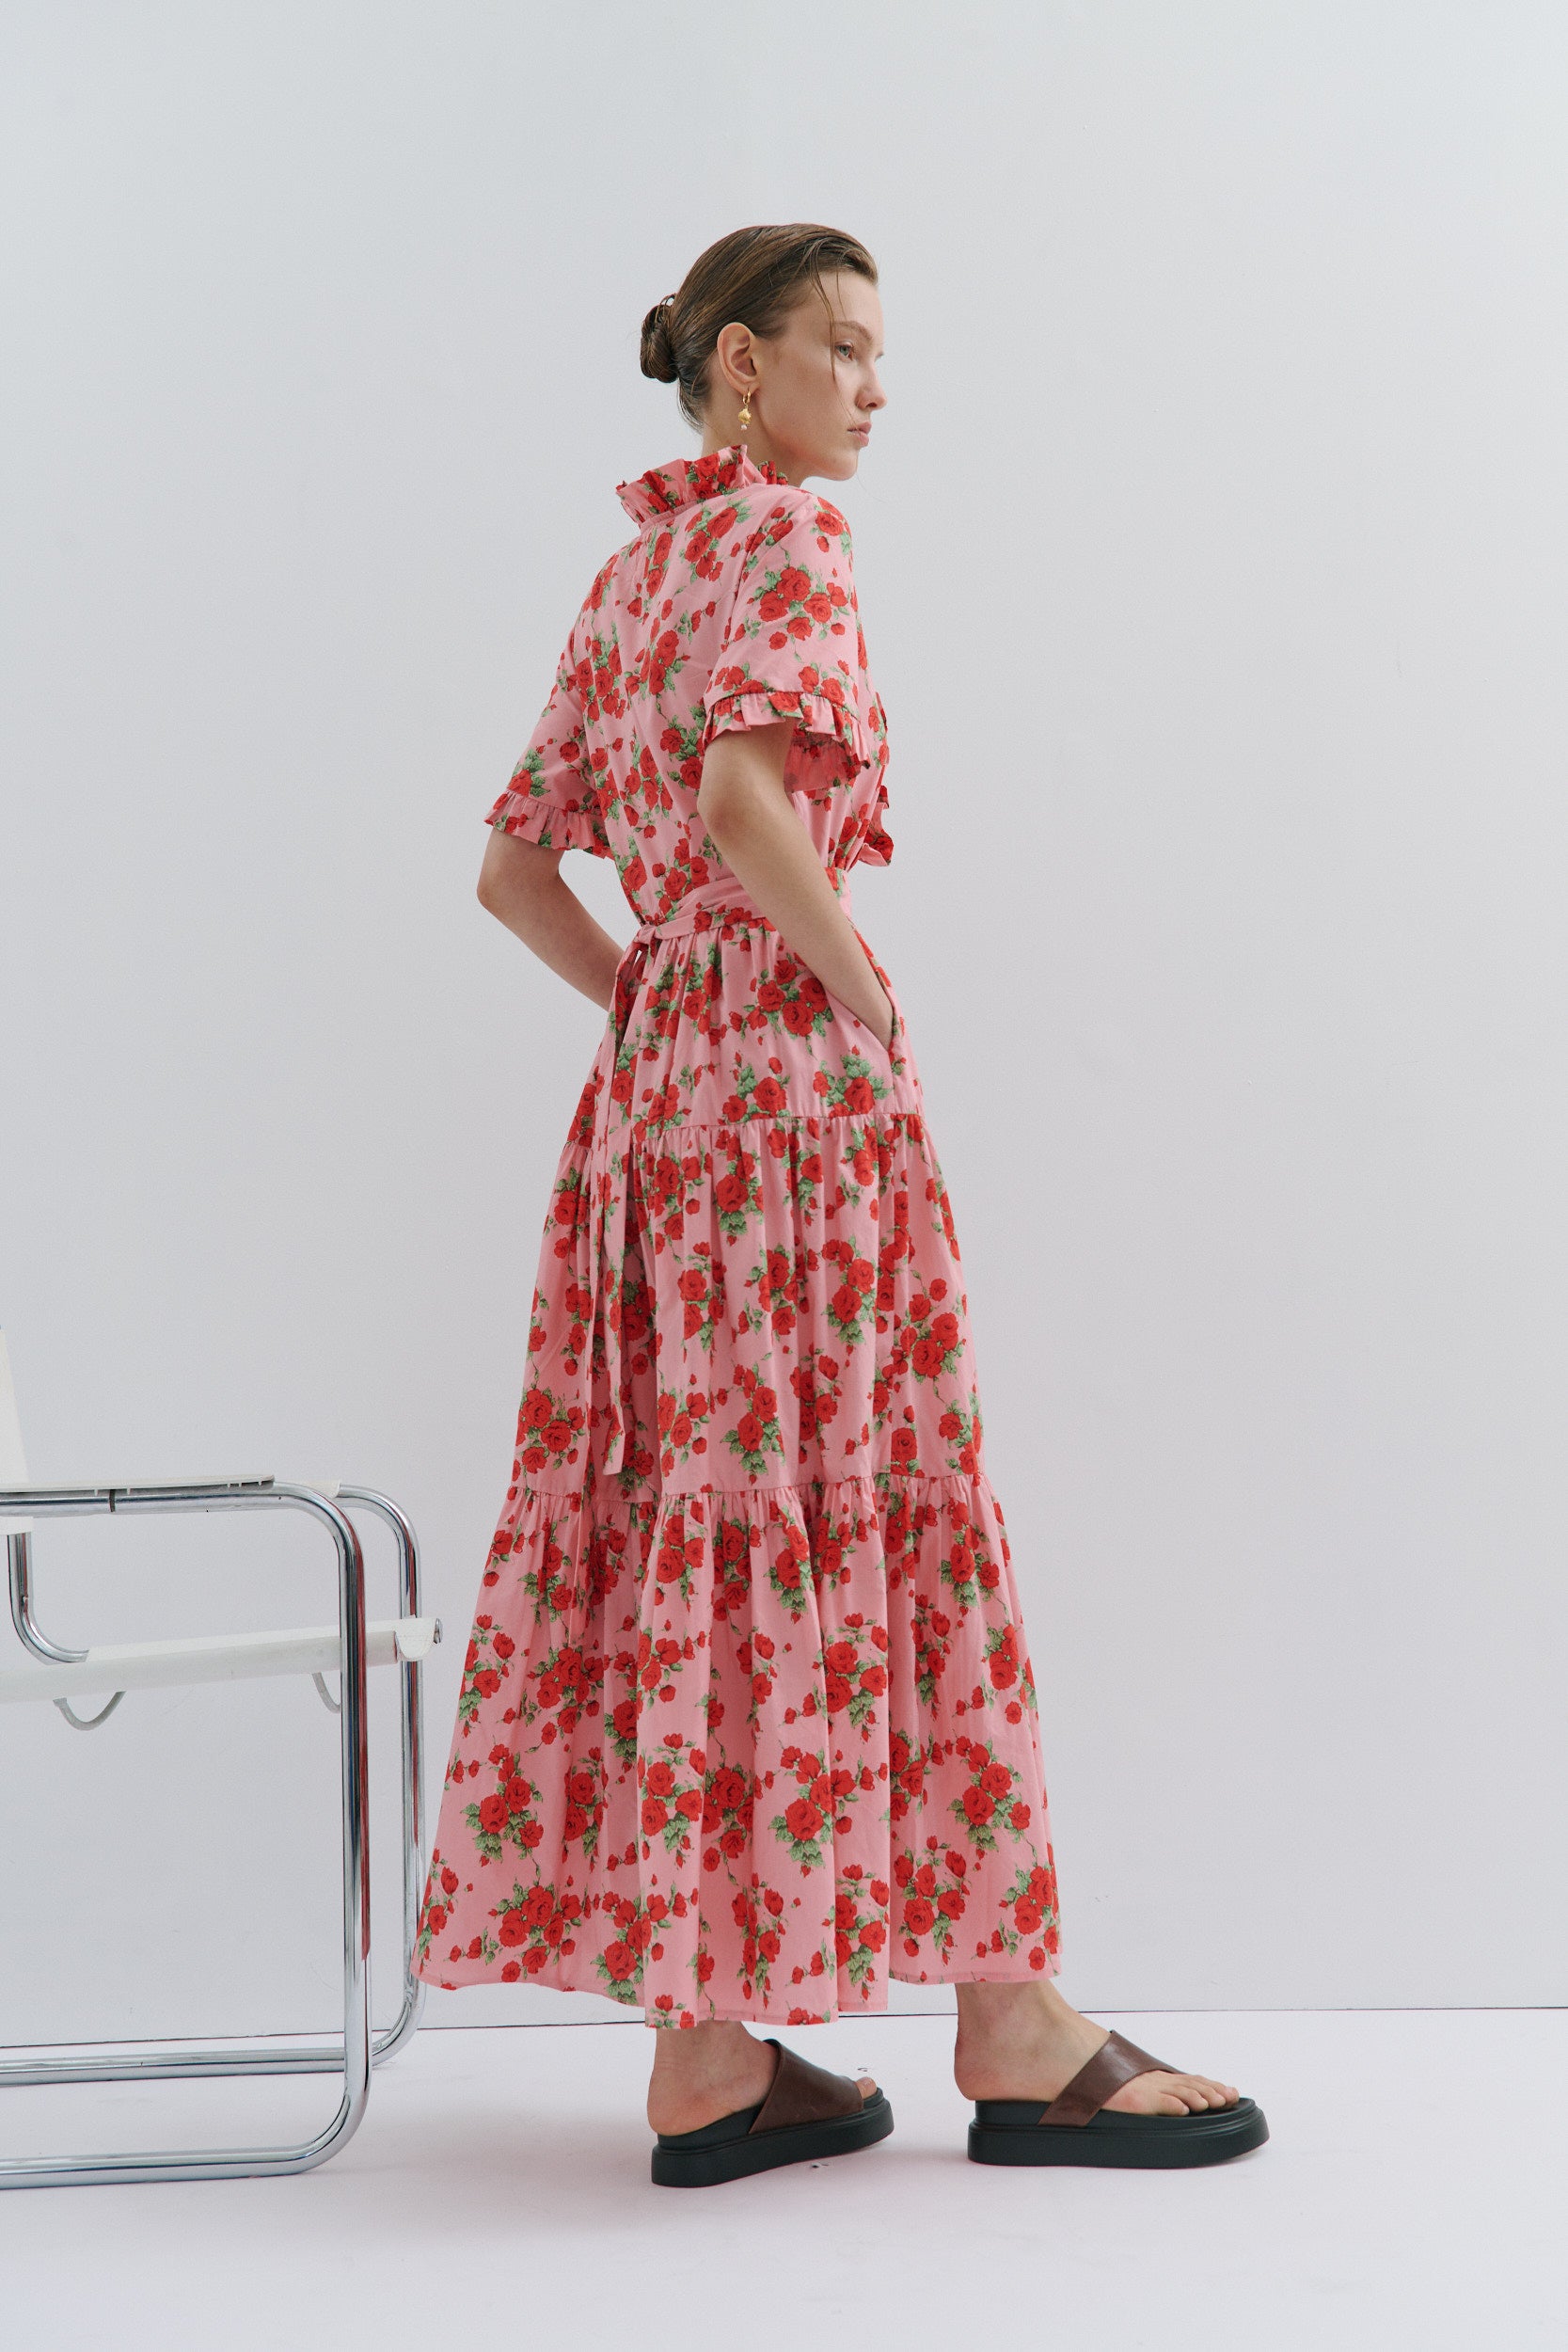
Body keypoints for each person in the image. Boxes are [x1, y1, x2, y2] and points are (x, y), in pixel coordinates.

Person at [413, 223, 1267, 2186]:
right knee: (882, 1473)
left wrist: (657, 998)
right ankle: (1013, 2018)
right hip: (788, 1091)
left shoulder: (632, 576)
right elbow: (739, 800)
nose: (874, 386)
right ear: (740, 364)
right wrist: (856, 989)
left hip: (655, 1109)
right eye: (845, 347)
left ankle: (707, 2052)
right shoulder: (794, 542)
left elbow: (513, 875)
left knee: (708, 1499)